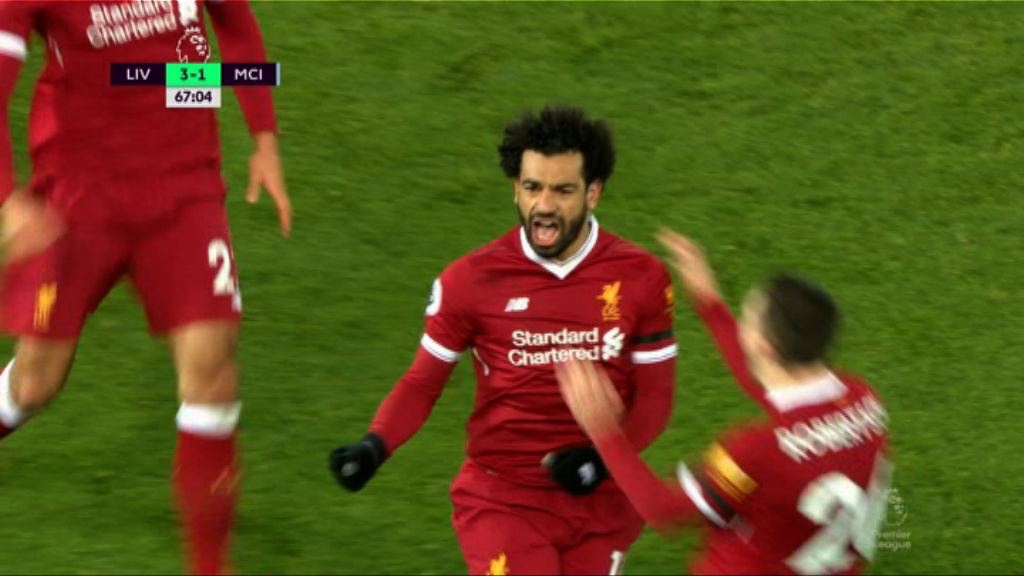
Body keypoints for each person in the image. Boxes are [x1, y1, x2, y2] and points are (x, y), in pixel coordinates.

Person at [0, 2, 291, 574]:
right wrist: (8, 200)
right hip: (77, 201)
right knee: (36, 383)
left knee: (213, 370)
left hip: (185, 189)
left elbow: (233, 21)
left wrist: (264, 138)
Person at [330, 105, 678, 575]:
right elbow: (422, 383)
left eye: (563, 190)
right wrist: (374, 446)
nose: (544, 206)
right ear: (516, 187)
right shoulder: (470, 280)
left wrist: (600, 460)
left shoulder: (641, 277)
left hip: (603, 499)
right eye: (532, 187)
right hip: (503, 498)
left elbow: (656, 398)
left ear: (593, 193)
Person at [555, 229, 892, 575]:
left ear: (764, 346)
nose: (742, 323)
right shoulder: (863, 398)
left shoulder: (756, 451)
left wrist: (605, 432)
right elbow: (772, 389)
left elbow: (664, 510)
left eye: (748, 317)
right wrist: (710, 303)